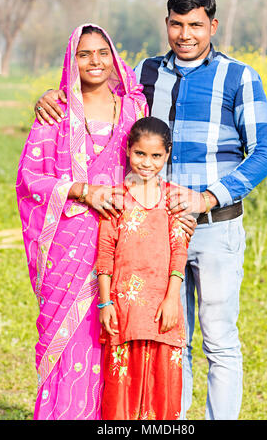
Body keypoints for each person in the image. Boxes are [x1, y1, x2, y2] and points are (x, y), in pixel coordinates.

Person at [33, 0, 267, 421]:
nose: (186, 34)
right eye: (177, 24)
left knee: (219, 339)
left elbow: (263, 154)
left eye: (196, 25)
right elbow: (93, 82)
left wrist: (206, 197)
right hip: (151, 236)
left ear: (212, 26)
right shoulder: (145, 73)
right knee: (169, 339)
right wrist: (54, 96)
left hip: (214, 226)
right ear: (167, 24)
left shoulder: (239, 77)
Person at [16, 23, 149, 420]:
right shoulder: (55, 112)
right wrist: (81, 191)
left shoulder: (134, 109)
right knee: (67, 340)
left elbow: (151, 165)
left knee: (114, 337)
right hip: (67, 245)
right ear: (71, 61)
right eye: (84, 53)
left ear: (115, 58)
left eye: (102, 52)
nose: (95, 61)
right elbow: (29, 178)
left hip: (120, 241)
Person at [96, 116, 188, 420]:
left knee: (162, 392)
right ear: (127, 150)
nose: (147, 162)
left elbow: (179, 252)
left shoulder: (175, 198)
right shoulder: (116, 197)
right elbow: (106, 252)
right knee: (120, 392)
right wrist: (106, 302)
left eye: (156, 156)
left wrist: (173, 298)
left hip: (164, 310)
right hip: (124, 311)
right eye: (140, 154)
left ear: (168, 154)